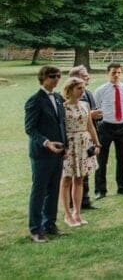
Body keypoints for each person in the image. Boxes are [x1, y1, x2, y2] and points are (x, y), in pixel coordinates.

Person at [26, 66, 70, 242]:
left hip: (58, 152)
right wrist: (47, 143)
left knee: (53, 190)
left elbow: (61, 125)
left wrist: (64, 147)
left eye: (58, 76)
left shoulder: (58, 98)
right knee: (39, 191)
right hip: (42, 154)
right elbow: (30, 128)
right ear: (43, 77)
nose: (56, 79)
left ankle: (50, 224)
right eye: (52, 76)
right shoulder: (35, 100)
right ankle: (36, 229)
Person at [59, 77, 100, 227]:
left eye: (83, 88)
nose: (82, 91)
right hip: (70, 143)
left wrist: (97, 143)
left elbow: (90, 126)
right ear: (70, 90)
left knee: (80, 178)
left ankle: (77, 212)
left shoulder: (85, 105)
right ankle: (67, 214)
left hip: (84, 142)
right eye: (79, 88)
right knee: (67, 178)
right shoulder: (62, 107)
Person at [93, 63, 123, 198]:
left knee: (122, 159)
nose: (116, 75)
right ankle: (100, 190)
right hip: (106, 126)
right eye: (113, 73)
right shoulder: (100, 90)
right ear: (108, 73)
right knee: (102, 159)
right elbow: (96, 108)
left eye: (118, 73)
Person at [67, 66, 100, 210]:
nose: (88, 78)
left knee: (85, 170)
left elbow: (92, 119)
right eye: (85, 76)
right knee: (73, 172)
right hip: (74, 139)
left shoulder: (88, 94)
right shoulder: (65, 99)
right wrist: (91, 115)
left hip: (87, 138)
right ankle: (71, 203)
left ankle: (84, 201)